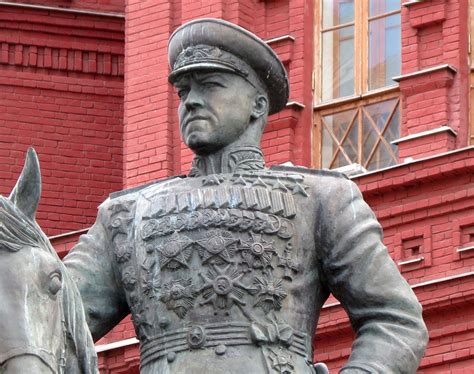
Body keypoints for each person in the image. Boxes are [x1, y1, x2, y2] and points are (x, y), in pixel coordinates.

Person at [64, 18, 428, 373]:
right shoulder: (124, 215)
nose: (191, 102)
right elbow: (47, 321)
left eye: (210, 85)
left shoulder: (321, 199)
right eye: (184, 91)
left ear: (257, 104)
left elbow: (395, 320)